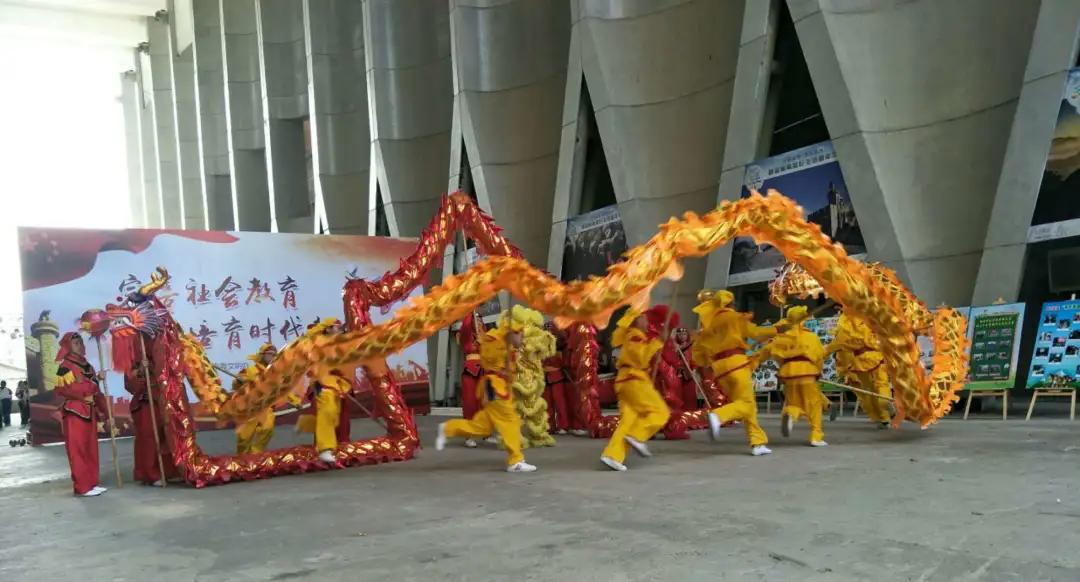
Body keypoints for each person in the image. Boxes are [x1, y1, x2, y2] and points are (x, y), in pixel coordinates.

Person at [435, 317, 537, 472]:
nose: (522, 337)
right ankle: (515, 461)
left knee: (482, 427)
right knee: (510, 420)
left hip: (495, 386)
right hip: (495, 387)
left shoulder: (507, 346)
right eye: (520, 334)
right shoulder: (496, 344)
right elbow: (491, 358)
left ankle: (448, 428)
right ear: (512, 333)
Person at [693, 290, 777, 456]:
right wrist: (777, 328)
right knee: (745, 403)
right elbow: (756, 333)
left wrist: (708, 365)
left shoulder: (708, 324)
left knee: (745, 405)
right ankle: (718, 416)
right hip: (736, 364)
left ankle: (757, 442)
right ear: (731, 303)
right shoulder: (734, 318)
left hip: (720, 370)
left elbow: (699, 353)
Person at [600, 306, 671, 472]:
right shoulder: (635, 336)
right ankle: (638, 435)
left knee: (628, 420)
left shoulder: (632, 336)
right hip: (634, 380)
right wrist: (657, 342)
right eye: (643, 318)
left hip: (626, 380)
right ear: (636, 320)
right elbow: (640, 359)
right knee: (660, 412)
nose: (646, 321)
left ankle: (613, 455)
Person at [759, 306, 829, 447]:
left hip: (788, 374)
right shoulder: (811, 337)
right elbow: (819, 357)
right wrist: (818, 371)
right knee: (814, 405)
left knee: (793, 403)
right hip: (807, 372)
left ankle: (791, 414)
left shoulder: (781, 337)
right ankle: (816, 436)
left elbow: (772, 353)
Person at [54, 332, 109, 497]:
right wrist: (94, 382)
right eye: (75, 343)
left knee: (90, 449)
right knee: (77, 450)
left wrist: (105, 412)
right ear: (68, 347)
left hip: (89, 411)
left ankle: (91, 483)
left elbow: (96, 391)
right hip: (75, 412)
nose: (79, 345)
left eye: (80, 342)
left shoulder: (87, 365)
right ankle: (82, 486)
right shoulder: (65, 366)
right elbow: (65, 389)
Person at [294, 319, 353, 464]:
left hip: (341, 385)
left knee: (338, 419)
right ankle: (325, 448)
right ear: (327, 329)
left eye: (340, 327)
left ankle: (307, 424)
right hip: (324, 383)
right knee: (328, 411)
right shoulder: (318, 344)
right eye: (336, 327)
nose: (340, 329)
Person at [826, 312, 892, 428]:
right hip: (878, 357)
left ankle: (882, 418)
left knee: (867, 392)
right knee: (882, 386)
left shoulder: (844, 331)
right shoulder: (872, 322)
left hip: (861, 363)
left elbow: (831, 350)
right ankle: (884, 405)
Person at [124, 364, 178, 485]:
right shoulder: (134, 359)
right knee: (148, 437)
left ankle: (168, 471)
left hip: (165, 400)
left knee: (168, 435)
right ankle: (150, 474)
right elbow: (130, 385)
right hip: (146, 404)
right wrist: (141, 370)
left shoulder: (163, 348)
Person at [234, 343, 280, 454]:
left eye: (274, 355)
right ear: (262, 355)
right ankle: (242, 457)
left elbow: (283, 389)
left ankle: (255, 454)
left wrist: (295, 401)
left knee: (267, 428)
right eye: (269, 354)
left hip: (266, 407)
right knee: (244, 436)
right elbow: (236, 384)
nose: (272, 357)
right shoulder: (250, 370)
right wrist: (239, 381)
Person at [457, 312, 484, 448]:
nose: (478, 321)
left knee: (486, 402)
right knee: (470, 403)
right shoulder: (467, 336)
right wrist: (469, 312)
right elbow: (466, 327)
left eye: (480, 319)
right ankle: (469, 435)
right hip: (471, 369)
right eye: (476, 319)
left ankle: (487, 432)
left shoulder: (484, 335)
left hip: (484, 370)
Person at [543, 322, 572, 435]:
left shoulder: (559, 347)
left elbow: (562, 363)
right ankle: (550, 426)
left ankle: (563, 426)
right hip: (546, 378)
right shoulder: (540, 348)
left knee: (560, 403)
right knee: (548, 404)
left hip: (557, 378)